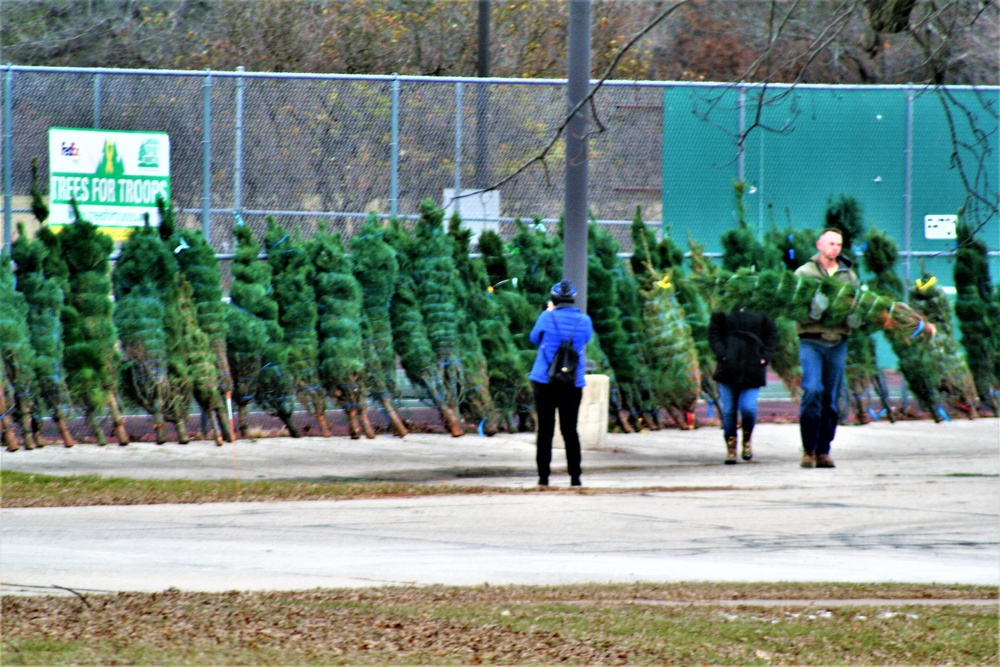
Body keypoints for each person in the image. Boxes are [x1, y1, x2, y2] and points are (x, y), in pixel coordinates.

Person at [793, 227, 860, 469]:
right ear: (819, 244)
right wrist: (812, 312)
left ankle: (823, 450)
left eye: (839, 245)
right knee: (812, 391)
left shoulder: (848, 277)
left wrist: (855, 318)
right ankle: (808, 449)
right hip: (812, 340)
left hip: (837, 342)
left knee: (831, 399)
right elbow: (794, 308)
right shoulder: (804, 273)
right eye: (831, 243)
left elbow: (856, 305)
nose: (835, 248)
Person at [528, 279, 594, 487]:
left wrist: (549, 313)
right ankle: (575, 477)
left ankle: (543, 477)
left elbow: (534, 339)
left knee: (545, 430)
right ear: (573, 299)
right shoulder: (584, 321)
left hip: (544, 381)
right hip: (572, 383)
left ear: (554, 299)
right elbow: (586, 340)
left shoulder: (546, 317)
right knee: (570, 430)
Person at [708, 308, 778, 464]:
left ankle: (747, 438)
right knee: (728, 410)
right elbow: (714, 333)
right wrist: (722, 353)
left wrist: (764, 356)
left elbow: (771, 334)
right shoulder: (723, 306)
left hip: (752, 365)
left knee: (748, 408)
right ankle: (731, 449)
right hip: (728, 366)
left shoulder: (761, 306)